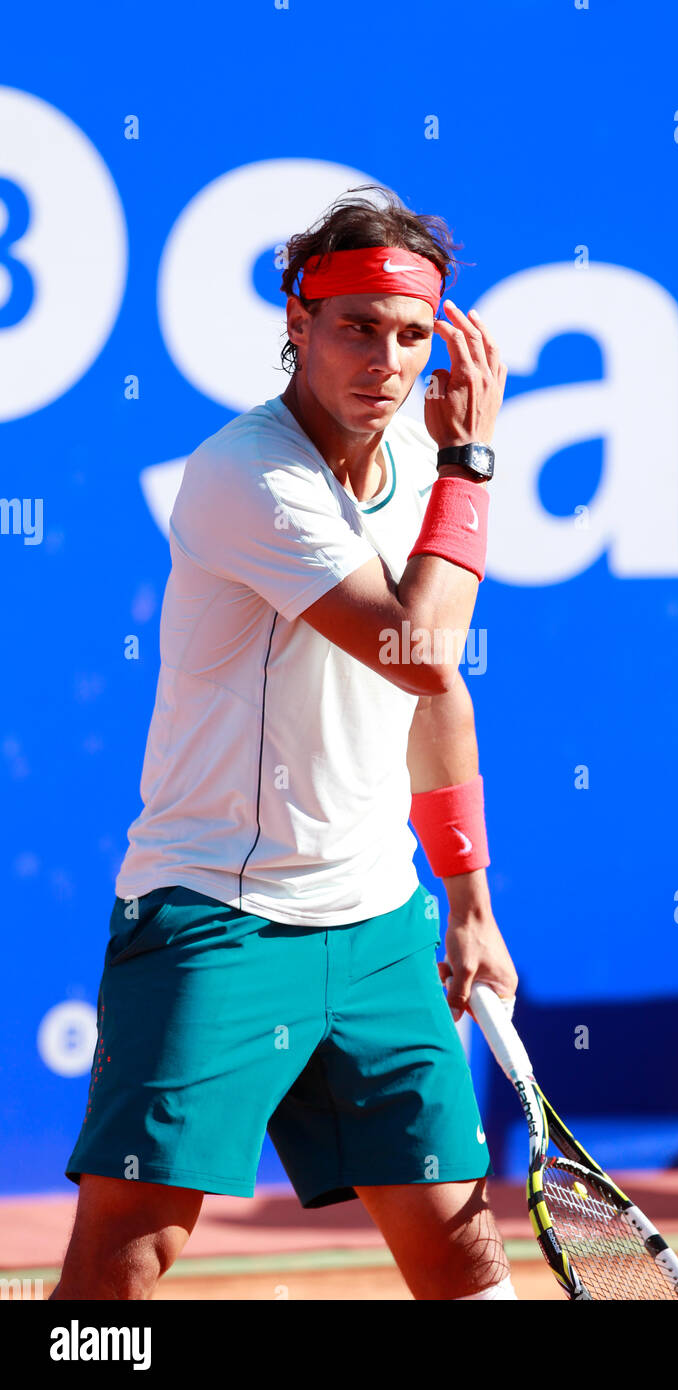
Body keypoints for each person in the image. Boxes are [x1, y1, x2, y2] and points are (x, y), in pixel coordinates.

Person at [52, 186, 519, 1301]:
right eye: (356, 325)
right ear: (296, 325)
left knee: (458, 1248)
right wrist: (472, 465)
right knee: (130, 1250)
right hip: (216, 912)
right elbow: (416, 648)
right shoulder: (245, 475)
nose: (388, 360)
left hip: (375, 925)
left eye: (412, 334)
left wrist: (467, 902)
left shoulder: (417, 475)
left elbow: (434, 696)